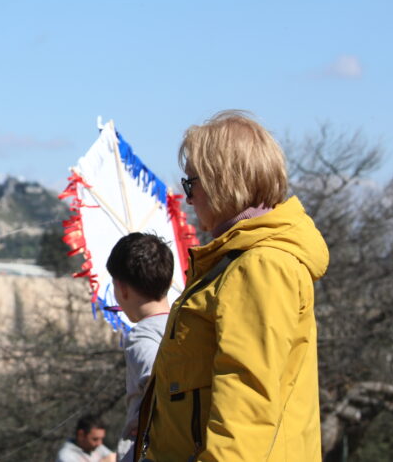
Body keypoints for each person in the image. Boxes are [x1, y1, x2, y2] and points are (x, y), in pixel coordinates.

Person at [133, 110, 329, 461]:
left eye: (191, 184)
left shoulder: (261, 265)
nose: (188, 198)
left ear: (222, 180)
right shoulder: (240, 259)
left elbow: (247, 400)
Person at [104, 232, 172, 462]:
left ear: (121, 288)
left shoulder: (142, 336)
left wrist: (144, 420)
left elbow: (159, 380)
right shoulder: (184, 324)